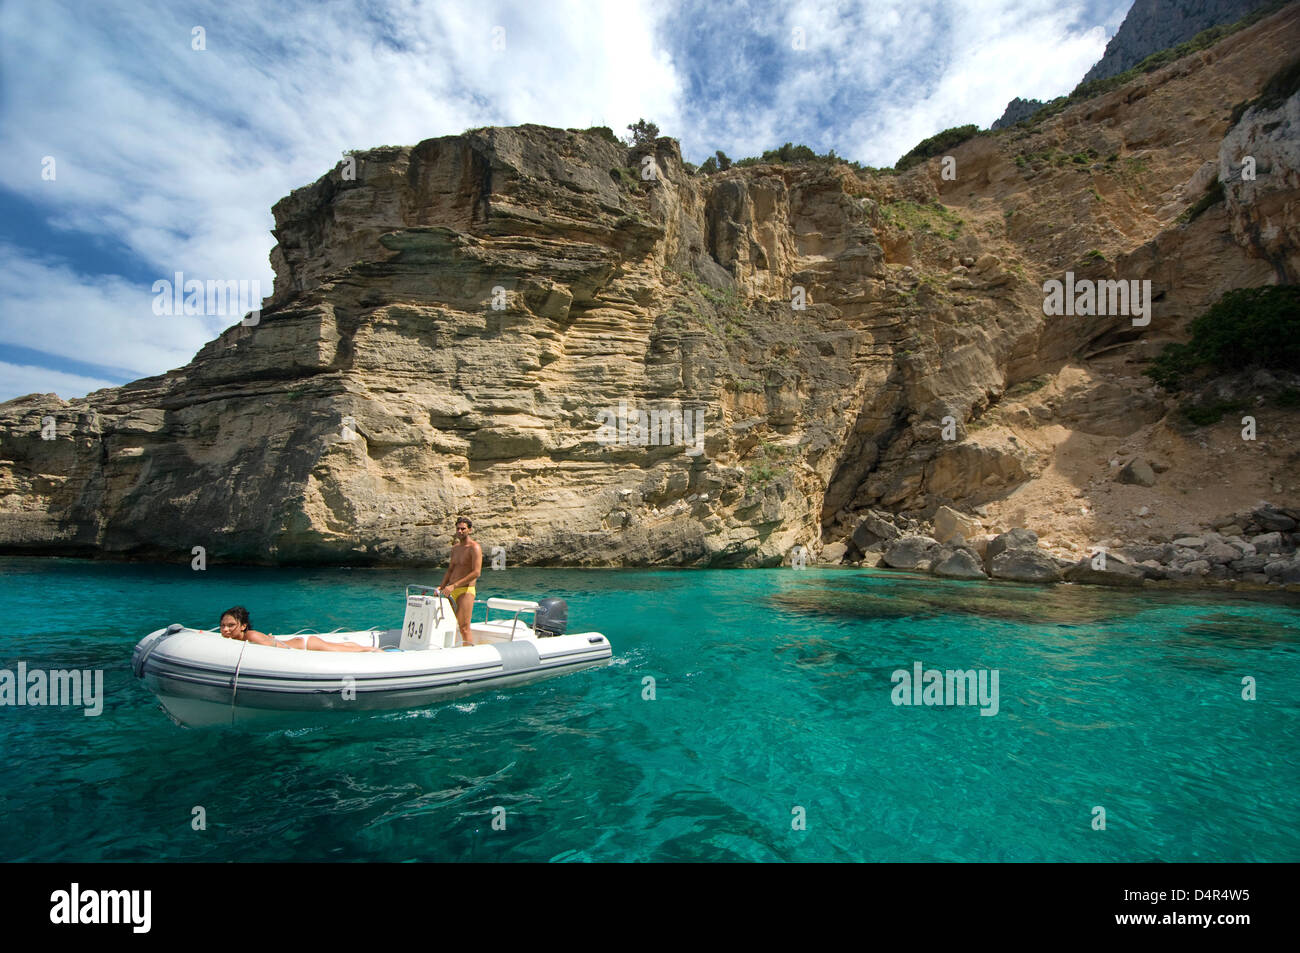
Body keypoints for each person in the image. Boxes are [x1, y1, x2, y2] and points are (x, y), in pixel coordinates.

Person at [217, 606, 381, 652]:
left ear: (243, 626)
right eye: (223, 625)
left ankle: (373, 650)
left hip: (306, 645)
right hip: (304, 643)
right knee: (342, 648)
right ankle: (357, 646)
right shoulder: (245, 638)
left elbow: (273, 653)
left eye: (231, 625)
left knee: (348, 651)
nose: (226, 629)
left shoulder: (251, 637)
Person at [435, 517, 482, 646]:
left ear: (470, 530)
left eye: (463, 528)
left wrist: (454, 585)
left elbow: (476, 572)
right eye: (458, 528)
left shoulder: (474, 548)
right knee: (448, 624)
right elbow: (450, 570)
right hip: (450, 590)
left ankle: (469, 655)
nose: (460, 531)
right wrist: (442, 586)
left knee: (464, 627)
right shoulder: (455, 548)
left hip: (465, 590)